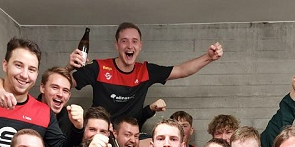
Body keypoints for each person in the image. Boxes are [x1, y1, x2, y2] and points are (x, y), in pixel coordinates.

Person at [68, 22, 223, 125]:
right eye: (124, 41)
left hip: (131, 136)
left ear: (140, 46)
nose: (130, 46)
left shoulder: (146, 70)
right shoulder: (99, 67)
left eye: (134, 41)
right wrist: (69, 67)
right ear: (117, 45)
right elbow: (66, 83)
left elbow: (181, 70)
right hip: (101, 132)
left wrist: (209, 57)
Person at [208, 74, 295, 147]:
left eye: (228, 132)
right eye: (218, 133)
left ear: (236, 134)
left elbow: (277, 126)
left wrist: (294, 93)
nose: (223, 137)